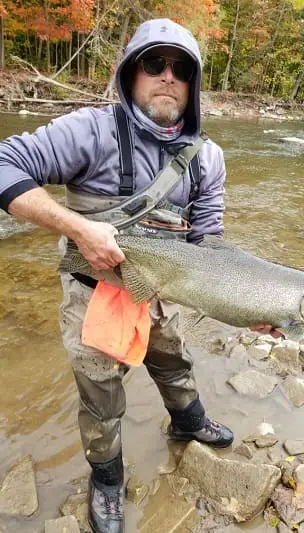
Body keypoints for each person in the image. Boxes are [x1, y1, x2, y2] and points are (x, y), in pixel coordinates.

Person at [0, 18, 279, 533]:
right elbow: (4, 163)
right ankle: (107, 477)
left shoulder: (208, 159)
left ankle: (187, 421)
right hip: (95, 294)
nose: (167, 76)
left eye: (181, 69)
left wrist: (247, 309)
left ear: (193, 85)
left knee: (173, 360)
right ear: (131, 73)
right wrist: (77, 227)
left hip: (167, 288)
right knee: (101, 396)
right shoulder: (89, 131)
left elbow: (209, 246)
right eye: (155, 64)